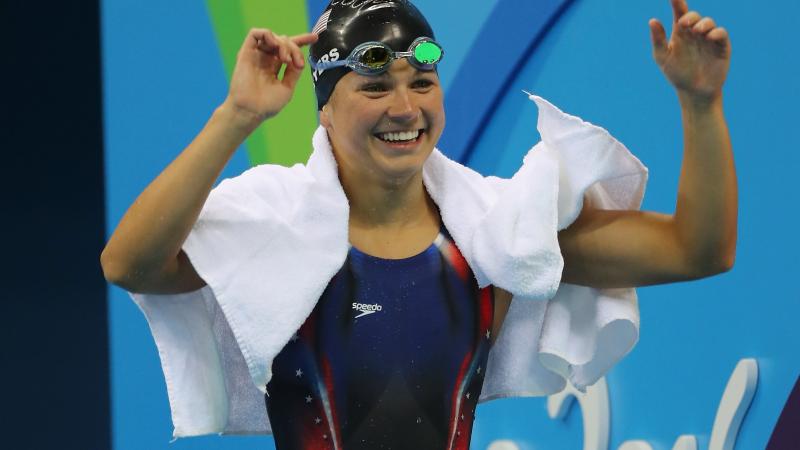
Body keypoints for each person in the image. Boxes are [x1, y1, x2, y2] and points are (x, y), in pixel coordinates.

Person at [101, 0, 735, 448]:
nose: (405, 107)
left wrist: (701, 104)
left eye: (422, 82)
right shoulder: (275, 227)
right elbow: (128, 265)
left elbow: (696, 251)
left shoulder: (497, 233)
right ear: (325, 109)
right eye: (375, 86)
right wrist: (236, 116)